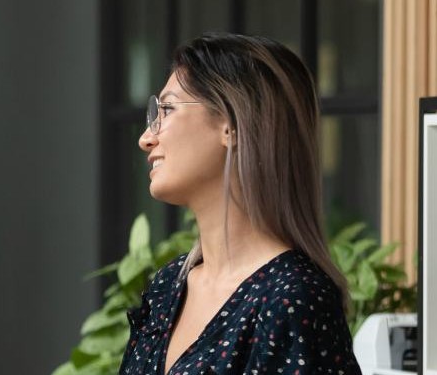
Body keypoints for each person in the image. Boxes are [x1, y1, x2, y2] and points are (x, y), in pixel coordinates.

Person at [119, 33, 360, 375]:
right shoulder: (167, 286)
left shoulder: (292, 299)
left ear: (231, 124)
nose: (146, 138)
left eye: (167, 110)